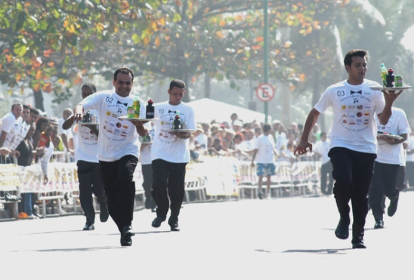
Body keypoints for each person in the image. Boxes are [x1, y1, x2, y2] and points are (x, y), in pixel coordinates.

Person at [294, 49, 401, 249]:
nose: (362, 69)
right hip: (341, 145)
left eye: (364, 65)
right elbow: (315, 112)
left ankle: (358, 236)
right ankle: (344, 216)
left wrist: (389, 102)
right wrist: (304, 139)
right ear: (348, 68)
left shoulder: (375, 89)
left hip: (366, 148)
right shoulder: (334, 90)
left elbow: (384, 119)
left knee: (361, 194)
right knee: (343, 181)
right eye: (358, 65)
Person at [73, 67, 147, 246]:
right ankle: (123, 229)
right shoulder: (104, 97)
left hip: (127, 150)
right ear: (114, 82)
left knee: (125, 178)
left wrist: (138, 125)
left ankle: (128, 224)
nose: (124, 86)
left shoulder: (138, 103)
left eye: (127, 83)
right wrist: (78, 111)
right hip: (105, 155)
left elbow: (144, 132)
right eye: (120, 82)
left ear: (132, 84)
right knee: (111, 197)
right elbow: (81, 104)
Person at [151, 79, 196, 231]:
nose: (177, 97)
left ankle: (174, 218)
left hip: (178, 156)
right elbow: (143, 120)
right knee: (158, 185)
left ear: (184, 93)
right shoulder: (158, 108)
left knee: (176, 190)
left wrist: (180, 133)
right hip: (159, 153)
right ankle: (161, 213)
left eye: (180, 94)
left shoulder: (188, 110)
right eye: (175, 93)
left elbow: (189, 132)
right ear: (169, 92)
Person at [63, 83, 109, 231]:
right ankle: (89, 220)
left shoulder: (101, 110)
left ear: (95, 94)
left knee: (99, 190)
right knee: (84, 191)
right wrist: (73, 118)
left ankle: (104, 202)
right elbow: (64, 126)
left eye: (89, 93)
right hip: (83, 157)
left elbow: (105, 136)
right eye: (84, 94)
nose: (86, 96)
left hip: (98, 158)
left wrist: (93, 127)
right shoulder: (80, 108)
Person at [369, 107, 410, 229]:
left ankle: (393, 196)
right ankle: (378, 218)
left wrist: (394, 141)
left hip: (393, 159)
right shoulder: (371, 112)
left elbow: (404, 135)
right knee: (376, 190)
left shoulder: (399, 113)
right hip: (375, 157)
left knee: (389, 189)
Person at [250, 123, 278, 200]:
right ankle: (260, 191)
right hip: (261, 160)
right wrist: (253, 161)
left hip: (270, 160)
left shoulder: (271, 137)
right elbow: (256, 150)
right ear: (268, 130)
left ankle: (268, 193)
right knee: (260, 176)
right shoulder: (260, 138)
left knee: (269, 177)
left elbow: (273, 147)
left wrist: (276, 153)